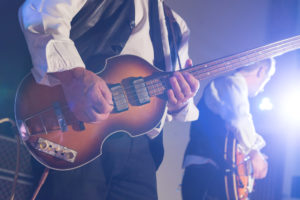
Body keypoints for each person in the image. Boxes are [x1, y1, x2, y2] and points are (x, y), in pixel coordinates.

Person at [19, 0, 200, 199]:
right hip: (82, 128)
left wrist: (178, 101)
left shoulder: (176, 25)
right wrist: (73, 76)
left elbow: (175, 96)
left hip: (140, 149)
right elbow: (40, 12)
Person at [181, 58, 276, 200]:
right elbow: (239, 122)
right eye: (267, 80)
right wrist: (254, 152)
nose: (262, 89)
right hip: (207, 175)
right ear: (261, 70)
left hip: (214, 175)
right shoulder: (231, 83)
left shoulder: (235, 88)